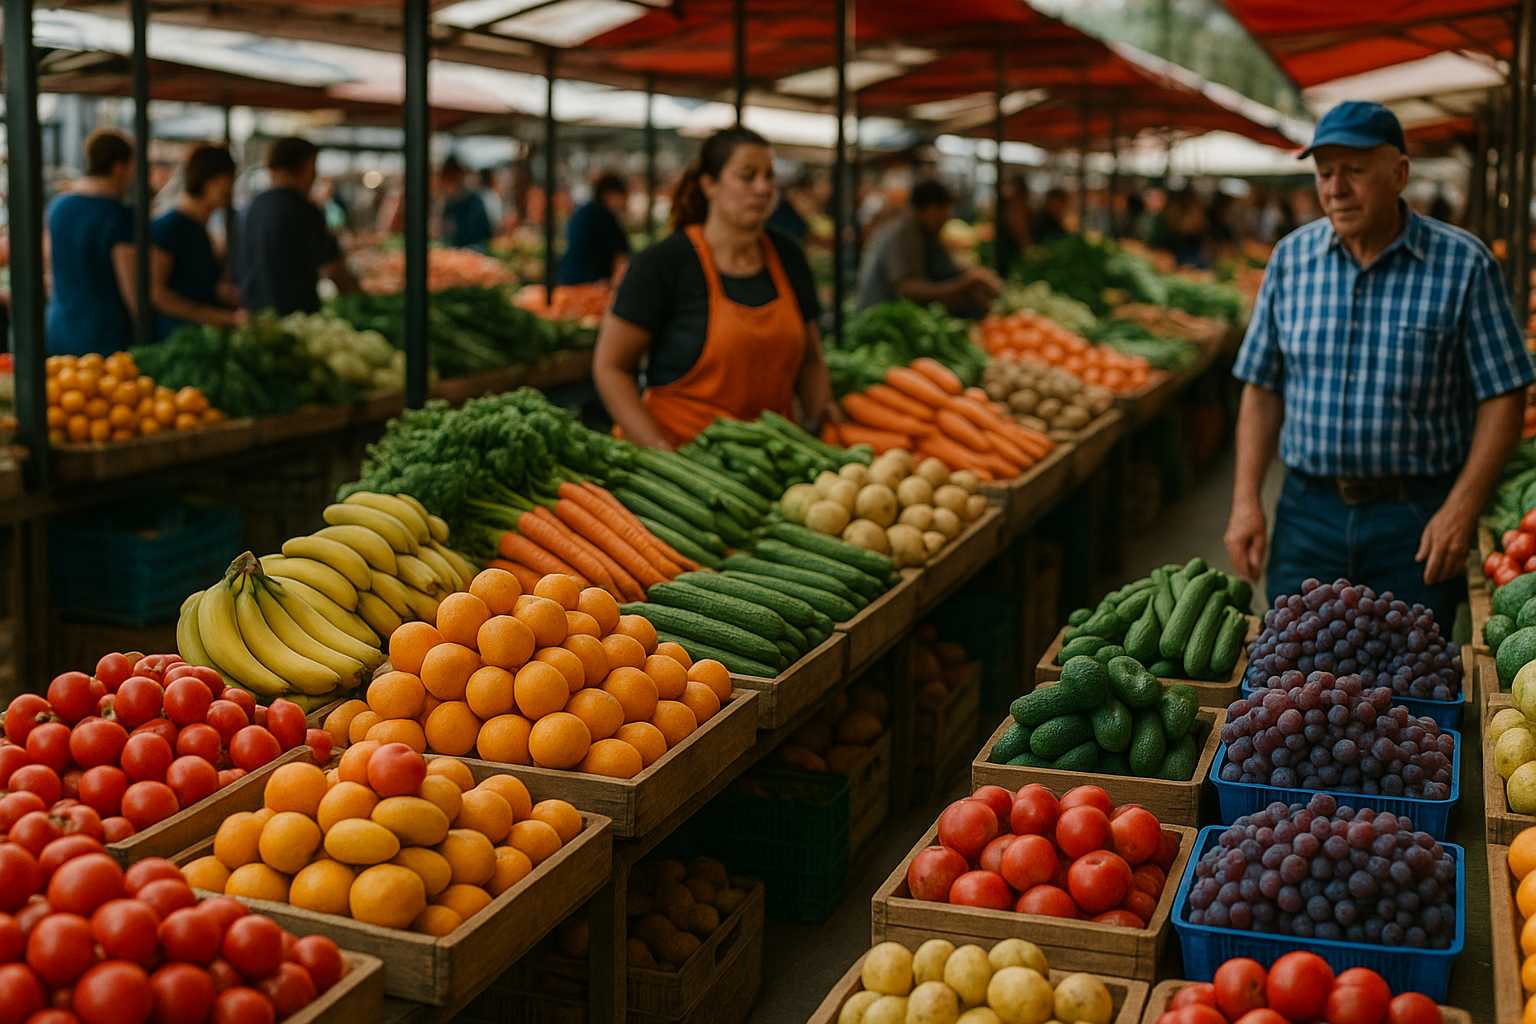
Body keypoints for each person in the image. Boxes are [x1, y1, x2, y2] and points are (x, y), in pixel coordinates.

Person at [1224, 101, 1533, 622]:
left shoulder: (1465, 264)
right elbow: (1262, 386)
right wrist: (1245, 500)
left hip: (1414, 518)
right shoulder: (1291, 260)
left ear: (1399, 174)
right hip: (1307, 514)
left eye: (1354, 171)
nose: (1335, 188)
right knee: (1293, 676)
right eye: (1325, 173)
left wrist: (1461, 507)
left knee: (1408, 677)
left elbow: (1504, 393)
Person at [592, 126, 837, 449]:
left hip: (772, 460)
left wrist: (821, 422)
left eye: (769, 176)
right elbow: (611, 367)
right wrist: (659, 451)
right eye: (748, 176)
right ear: (709, 184)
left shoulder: (788, 256)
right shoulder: (664, 263)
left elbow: (811, 361)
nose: (763, 188)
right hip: (685, 464)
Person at [235, 137, 358, 315]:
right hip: (296, 317)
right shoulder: (303, 210)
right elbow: (333, 269)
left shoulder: (250, 208)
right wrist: (358, 298)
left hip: (256, 315)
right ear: (308, 165)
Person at [45, 129, 137, 356]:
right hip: (103, 331)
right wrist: (144, 327)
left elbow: (48, 264)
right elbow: (130, 282)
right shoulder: (117, 214)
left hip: (60, 323)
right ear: (118, 167)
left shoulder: (58, 206)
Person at [857, 180, 1001, 315]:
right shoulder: (905, 232)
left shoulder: (921, 232)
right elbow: (907, 288)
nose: (948, 217)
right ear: (931, 209)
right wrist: (964, 284)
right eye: (946, 210)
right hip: (881, 318)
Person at [149, 143, 246, 339]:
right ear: (208, 180)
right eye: (227, 178)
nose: (230, 187)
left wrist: (221, 293)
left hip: (202, 335)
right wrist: (217, 316)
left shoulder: (201, 228)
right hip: (176, 339)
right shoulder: (169, 227)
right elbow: (156, 294)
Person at [559, 172, 631, 285]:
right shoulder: (604, 215)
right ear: (610, 194)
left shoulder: (583, 211)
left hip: (568, 276)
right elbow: (622, 252)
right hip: (591, 281)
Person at [439, 157, 493, 250]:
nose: (449, 183)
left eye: (451, 178)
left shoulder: (474, 202)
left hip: (474, 252)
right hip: (454, 254)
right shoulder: (447, 203)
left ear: (460, 176)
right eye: (446, 178)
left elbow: (484, 233)